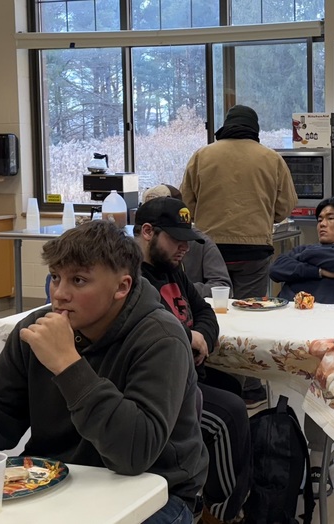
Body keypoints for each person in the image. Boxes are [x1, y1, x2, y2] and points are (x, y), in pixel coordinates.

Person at [0, 220, 208, 523]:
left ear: (122, 287)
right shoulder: (36, 330)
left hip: (155, 492)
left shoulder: (160, 337)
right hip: (58, 480)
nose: (60, 294)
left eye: (79, 280)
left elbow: (134, 454)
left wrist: (68, 365)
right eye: (56, 277)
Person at [134, 197, 251, 523]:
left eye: (188, 239)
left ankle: (219, 494)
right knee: (229, 415)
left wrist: (201, 336)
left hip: (189, 374)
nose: (185, 247)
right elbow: (145, 328)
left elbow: (205, 312)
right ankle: (223, 514)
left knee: (232, 386)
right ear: (147, 232)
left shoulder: (173, 271)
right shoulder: (131, 278)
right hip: (162, 385)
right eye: (176, 239)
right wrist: (188, 338)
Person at [180, 104, 297, 407]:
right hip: (253, 249)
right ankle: (252, 388)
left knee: (205, 311)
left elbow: (186, 204)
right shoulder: (271, 158)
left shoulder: (203, 155)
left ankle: (208, 382)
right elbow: (285, 207)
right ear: (254, 130)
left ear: (226, 125)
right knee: (249, 317)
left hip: (208, 248)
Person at [269, 196, 334, 305]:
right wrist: (319, 272)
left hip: (330, 316)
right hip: (289, 310)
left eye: (330, 218)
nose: (322, 224)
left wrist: (301, 258)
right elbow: (275, 269)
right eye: (320, 220)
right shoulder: (303, 248)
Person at [143, 184, 231, 298]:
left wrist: (181, 290)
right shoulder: (131, 249)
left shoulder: (201, 244)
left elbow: (222, 286)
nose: (184, 247)